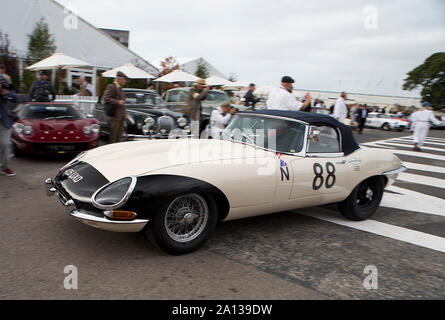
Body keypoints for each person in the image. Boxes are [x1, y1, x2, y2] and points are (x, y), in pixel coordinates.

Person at [103, 71, 128, 143]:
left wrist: (125, 113)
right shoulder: (111, 87)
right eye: (124, 80)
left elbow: (123, 102)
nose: (125, 82)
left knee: (119, 136)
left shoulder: (120, 88)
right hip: (115, 115)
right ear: (119, 79)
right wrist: (117, 102)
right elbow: (106, 98)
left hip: (121, 116)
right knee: (113, 136)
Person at [0, 77, 18, 177]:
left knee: (5, 144)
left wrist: (6, 92)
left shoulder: (3, 79)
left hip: (4, 121)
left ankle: (5, 167)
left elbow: (15, 97)